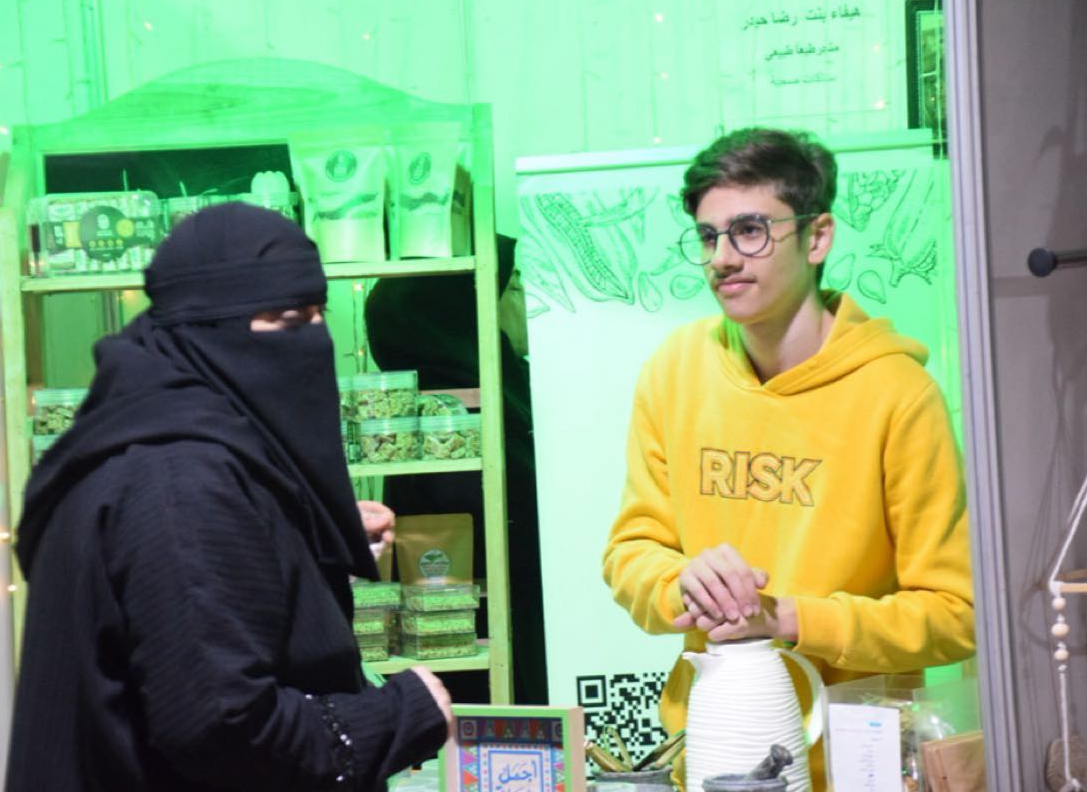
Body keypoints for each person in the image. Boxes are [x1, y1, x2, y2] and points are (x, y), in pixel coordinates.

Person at [6, 203, 452, 792]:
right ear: (207, 326)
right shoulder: (180, 480)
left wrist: (297, 539)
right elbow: (224, 727)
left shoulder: (158, 435)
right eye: (290, 319)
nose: (315, 339)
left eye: (319, 315)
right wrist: (402, 714)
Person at [601, 128, 975, 788]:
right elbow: (630, 554)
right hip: (712, 754)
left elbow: (957, 612)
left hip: (857, 765)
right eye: (708, 236)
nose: (723, 258)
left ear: (817, 236)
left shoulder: (899, 394)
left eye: (749, 231)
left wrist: (790, 617)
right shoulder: (675, 369)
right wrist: (682, 581)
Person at [363, 235, 548, 705]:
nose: (529, 304)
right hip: (475, 657)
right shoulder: (452, 419)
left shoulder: (506, 390)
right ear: (467, 312)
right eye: (514, 288)